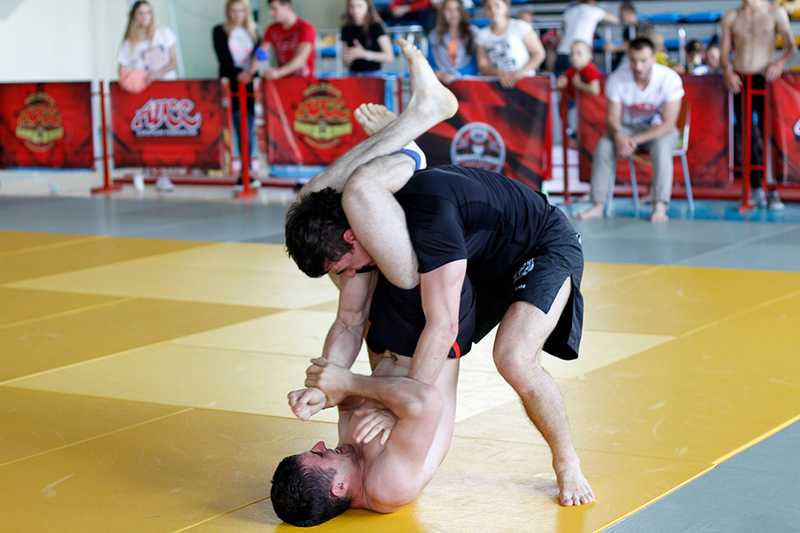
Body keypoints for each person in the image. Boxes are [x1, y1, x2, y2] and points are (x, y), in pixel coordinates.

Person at [284, 41, 594, 508]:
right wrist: (331, 387)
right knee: (321, 210)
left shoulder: (427, 222)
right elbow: (351, 324)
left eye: (346, 264)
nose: (348, 276)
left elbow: (442, 324)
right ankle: (409, 145)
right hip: (467, 256)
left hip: (538, 243)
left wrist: (343, 387)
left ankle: (567, 461)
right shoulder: (385, 479)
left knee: (514, 357)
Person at [576, 37, 684, 223]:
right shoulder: (617, 79)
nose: (638, 66)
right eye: (633, 60)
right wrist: (619, 136)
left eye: (643, 60)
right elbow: (612, 118)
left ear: (653, 58)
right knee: (604, 146)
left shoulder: (669, 79)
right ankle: (598, 205)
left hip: (659, 130)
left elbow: (668, 124)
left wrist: (634, 141)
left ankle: (659, 206)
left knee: (662, 148)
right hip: (628, 128)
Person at [721, 0, 796, 210]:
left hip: (765, 77)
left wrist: (779, 63)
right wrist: (727, 72)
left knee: (769, 134)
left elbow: (791, 47)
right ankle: (755, 188)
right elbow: (724, 53)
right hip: (740, 79)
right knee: (745, 134)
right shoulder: (732, 16)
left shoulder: (776, 12)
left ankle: (772, 189)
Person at [118, 0, 178, 193]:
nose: (145, 17)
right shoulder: (129, 43)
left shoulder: (164, 34)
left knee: (164, 133)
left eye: (148, 13)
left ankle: (163, 175)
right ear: (134, 17)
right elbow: (122, 69)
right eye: (141, 13)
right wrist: (138, 77)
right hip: (143, 93)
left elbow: (173, 61)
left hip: (164, 90)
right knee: (145, 133)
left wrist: (156, 74)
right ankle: (143, 170)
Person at [212, 0, 262, 191]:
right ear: (228, 12)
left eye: (241, 10)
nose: (237, 14)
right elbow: (223, 58)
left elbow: (260, 55)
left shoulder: (254, 31)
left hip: (249, 85)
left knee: (248, 126)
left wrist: (251, 73)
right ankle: (241, 168)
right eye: (233, 10)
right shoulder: (220, 31)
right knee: (237, 125)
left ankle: (247, 169)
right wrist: (240, 74)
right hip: (232, 84)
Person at [476, 0, 546, 88]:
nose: (493, 10)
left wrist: (520, 73)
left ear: (506, 6)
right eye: (488, 7)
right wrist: (499, 73)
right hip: (497, 85)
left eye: (497, 5)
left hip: (526, 83)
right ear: (485, 10)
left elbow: (539, 53)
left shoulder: (520, 26)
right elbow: (483, 66)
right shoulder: (481, 35)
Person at [556, 0, 618, 76]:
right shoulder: (594, 11)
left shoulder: (569, 12)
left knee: (562, 82)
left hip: (561, 53)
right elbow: (616, 20)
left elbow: (560, 32)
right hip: (580, 55)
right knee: (586, 81)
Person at [259, 0, 316, 80]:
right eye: (270, 9)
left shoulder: (306, 28)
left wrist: (278, 73)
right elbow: (261, 52)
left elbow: (300, 59)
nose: (271, 13)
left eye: (274, 9)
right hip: (282, 80)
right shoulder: (272, 29)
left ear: (287, 7)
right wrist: (253, 72)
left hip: (303, 81)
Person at [427, 0, 479, 84]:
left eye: (457, 9)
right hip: (441, 82)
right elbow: (430, 63)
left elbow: (476, 64)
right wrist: (439, 74)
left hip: (467, 81)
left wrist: (457, 75)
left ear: (462, 11)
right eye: (448, 9)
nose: (453, 13)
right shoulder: (433, 35)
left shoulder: (473, 32)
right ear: (442, 12)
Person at [341, 0, 395, 75]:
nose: (355, 10)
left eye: (359, 6)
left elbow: (389, 57)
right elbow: (345, 62)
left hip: (374, 74)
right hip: (353, 73)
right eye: (352, 6)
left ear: (367, 7)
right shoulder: (346, 29)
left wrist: (364, 54)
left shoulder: (376, 26)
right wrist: (349, 59)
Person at [607, 1, 639, 71]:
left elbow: (637, 44)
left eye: (621, 15)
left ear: (629, 13)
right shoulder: (628, 28)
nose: (620, 17)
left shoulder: (642, 26)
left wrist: (615, 48)